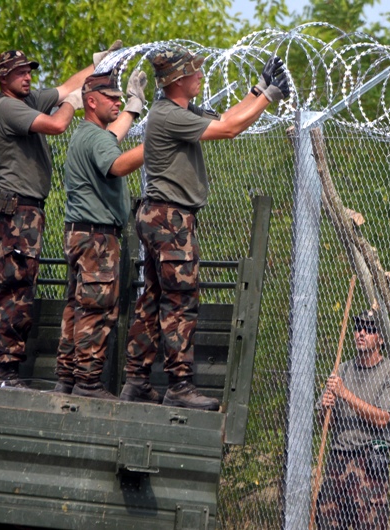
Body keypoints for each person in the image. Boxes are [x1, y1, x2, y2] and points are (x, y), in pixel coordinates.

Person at [119, 47, 290, 409]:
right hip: (170, 220)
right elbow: (229, 130)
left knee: (151, 301)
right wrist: (271, 97)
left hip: (158, 216)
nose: (200, 76)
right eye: (194, 72)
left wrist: (258, 90)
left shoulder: (177, 111)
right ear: (177, 80)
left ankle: (136, 380)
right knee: (181, 302)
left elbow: (227, 117)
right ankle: (179, 387)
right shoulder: (168, 116)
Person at [0, 42, 121, 389]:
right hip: (15, 211)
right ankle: (5, 372)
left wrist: (97, 66)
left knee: (18, 284)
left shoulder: (26, 99)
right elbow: (57, 124)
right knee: (14, 289)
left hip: (25, 210)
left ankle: (5, 370)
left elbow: (68, 86)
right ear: (3, 79)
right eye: (19, 72)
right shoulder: (7, 107)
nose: (27, 76)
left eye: (29, 71)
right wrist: (73, 103)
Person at [52, 69, 147, 399]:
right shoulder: (96, 139)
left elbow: (113, 138)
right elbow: (117, 164)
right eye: (112, 98)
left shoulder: (89, 134)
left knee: (76, 308)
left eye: (120, 98)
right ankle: (88, 383)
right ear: (90, 101)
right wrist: (159, 142)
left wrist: (134, 106)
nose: (117, 102)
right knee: (97, 309)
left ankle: (66, 378)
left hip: (80, 234)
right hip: (97, 239)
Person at [316, 309, 390, 529]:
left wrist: (345, 394)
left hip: (369, 462)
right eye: (358, 327)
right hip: (338, 460)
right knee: (327, 522)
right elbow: (324, 422)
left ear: (381, 339)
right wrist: (326, 408)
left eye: (370, 329)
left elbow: (383, 418)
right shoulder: (342, 370)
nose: (361, 333)